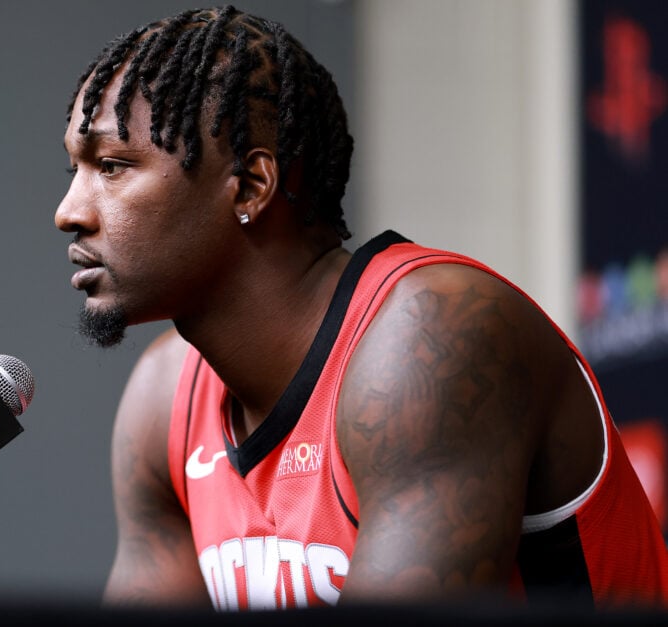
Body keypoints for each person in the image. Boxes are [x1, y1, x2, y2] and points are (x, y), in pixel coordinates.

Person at [54, 5, 668, 612]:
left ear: (249, 186)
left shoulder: (431, 339)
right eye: (75, 169)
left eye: (111, 166)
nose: (69, 211)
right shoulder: (164, 402)